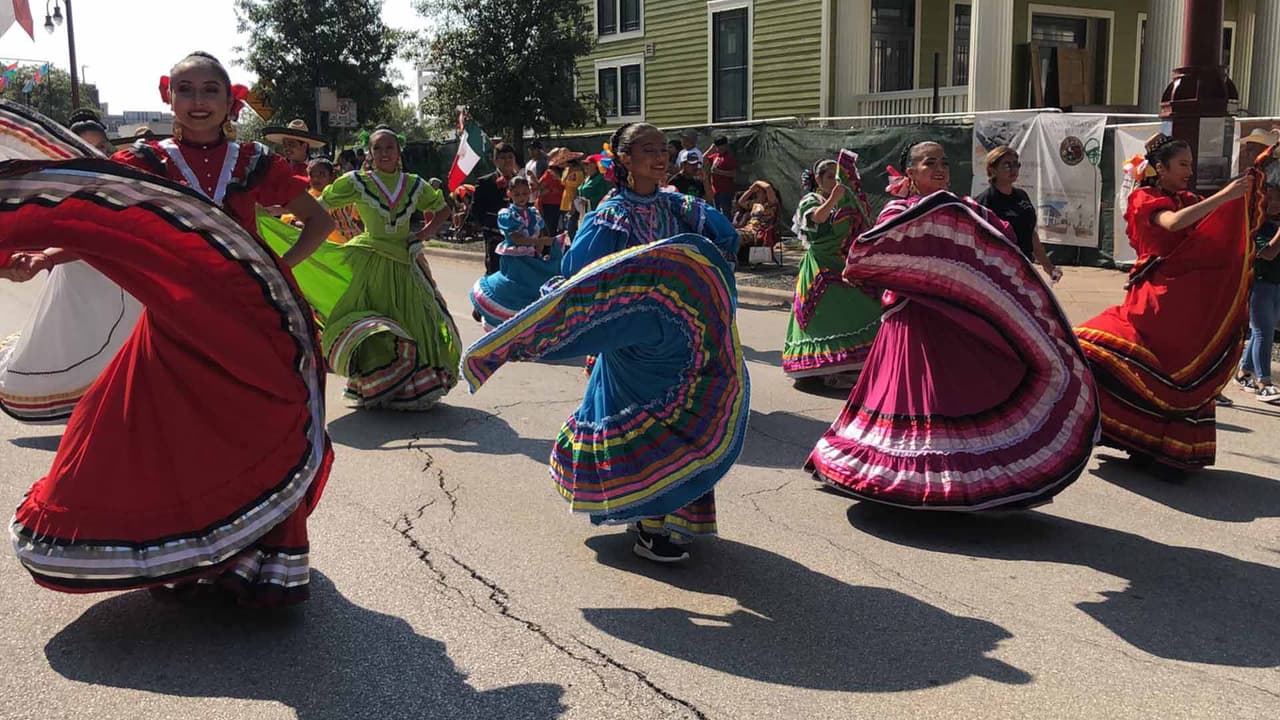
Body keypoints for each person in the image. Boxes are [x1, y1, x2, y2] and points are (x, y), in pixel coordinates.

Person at [1, 54, 334, 606]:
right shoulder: (146, 162)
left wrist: (275, 273)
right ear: (169, 98)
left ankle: (260, 559)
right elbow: (95, 227)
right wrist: (43, 256)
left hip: (257, 325)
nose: (198, 101)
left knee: (273, 424)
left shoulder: (254, 161)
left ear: (230, 102)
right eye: (186, 90)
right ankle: (189, 560)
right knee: (178, 441)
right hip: (180, 330)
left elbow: (319, 222)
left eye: (210, 90)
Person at [461, 122, 747, 565]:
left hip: (679, 339)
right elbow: (582, 276)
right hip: (632, 346)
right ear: (625, 159)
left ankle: (663, 515)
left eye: (663, 149)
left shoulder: (679, 205)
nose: (660, 157)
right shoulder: (611, 215)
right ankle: (651, 525)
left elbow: (725, 239)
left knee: (684, 420)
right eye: (648, 149)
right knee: (651, 423)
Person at [806, 140, 1099, 510]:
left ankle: (963, 480)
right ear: (910, 173)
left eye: (943, 162)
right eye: (929, 163)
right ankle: (908, 478)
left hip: (957, 320)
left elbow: (1002, 236)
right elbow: (876, 250)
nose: (940, 168)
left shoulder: (963, 209)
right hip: (913, 322)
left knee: (959, 396)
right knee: (919, 400)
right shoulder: (899, 210)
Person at [1075, 133, 1261, 470]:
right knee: (1122, 355)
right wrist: (1224, 195)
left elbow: (1216, 223)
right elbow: (1172, 223)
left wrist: (1247, 187)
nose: (1189, 171)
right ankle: (1134, 435)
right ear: (1160, 168)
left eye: (1190, 164)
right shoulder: (1144, 198)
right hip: (1157, 299)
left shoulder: (1186, 198)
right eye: (1183, 165)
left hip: (1186, 299)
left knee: (1182, 371)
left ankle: (1156, 444)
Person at [317, 125, 461, 411]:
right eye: (378, 148)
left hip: (405, 263)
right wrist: (281, 212)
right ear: (369, 153)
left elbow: (443, 208)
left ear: (399, 151)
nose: (384, 153)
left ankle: (411, 386)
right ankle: (377, 382)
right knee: (376, 322)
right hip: (371, 263)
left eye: (389, 147)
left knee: (414, 320)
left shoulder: (413, 184)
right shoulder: (357, 182)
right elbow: (320, 204)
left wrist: (423, 234)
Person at [783, 153, 882, 388]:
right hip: (820, 270)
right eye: (829, 177)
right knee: (824, 317)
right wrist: (834, 199)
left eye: (836, 177)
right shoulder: (811, 199)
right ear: (818, 180)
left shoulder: (847, 201)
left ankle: (852, 364)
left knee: (861, 308)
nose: (834, 181)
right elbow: (816, 219)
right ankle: (819, 368)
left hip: (842, 264)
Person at [469, 176, 563, 330]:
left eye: (525, 193)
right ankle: (493, 312)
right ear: (509, 194)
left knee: (541, 282)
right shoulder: (507, 214)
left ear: (529, 193)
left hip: (532, 257)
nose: (521, 197)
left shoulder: (533, 213)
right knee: (517, 289)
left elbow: (539, 235)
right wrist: (537, 242)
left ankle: (530, 323)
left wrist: (542, 246)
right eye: (517, 194)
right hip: (515, 260)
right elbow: (517, 239)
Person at [974, 146, 1060, 280]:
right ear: (992, 170)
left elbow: (1031, 233)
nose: (1013, 169)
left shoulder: (1022, 196)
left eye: (1016, 164)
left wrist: (1048, 266)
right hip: (998, 272)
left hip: (1024, 268)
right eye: (1007, 165)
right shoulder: (985, 201)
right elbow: (977, 241)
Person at [1236, 193, 1280, 403]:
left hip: (1276, 285)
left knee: (1261, 332)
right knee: (1264, 333)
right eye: (1271, 199)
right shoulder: (1254, 227)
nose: (1275, 203)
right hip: (1259, 284)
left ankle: (1244, 372)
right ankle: (1264, 383)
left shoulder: (1273, 226)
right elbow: (1267, 253)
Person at [470, 141, 522, 273]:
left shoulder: (521, 181)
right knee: (495, 268)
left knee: (516, 270)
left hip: (519, 234)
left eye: (510, 157)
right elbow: (476, 209)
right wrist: (488, 226)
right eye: (503, 158)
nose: (507, 161)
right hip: (495, 234)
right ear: (495, 161)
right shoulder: (485, 182)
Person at [263, 118, 328, 176]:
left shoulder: (318, 168)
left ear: (304, 146)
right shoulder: (279, 168)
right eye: (284, 144)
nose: (287, 148)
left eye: (291, 144)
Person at [733, 179, 781, 257]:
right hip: (748, 229)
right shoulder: (755, 204)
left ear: (765, 193)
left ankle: (732, 258)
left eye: (759, 192)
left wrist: (756, 183)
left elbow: (768, 187)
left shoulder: (771, 204)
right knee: (728, 233)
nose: (757, 194)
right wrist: (751, 190)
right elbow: (741, 202)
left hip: (759, 232)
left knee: (734, 236)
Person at [704, 136, 738, 217]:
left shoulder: (729, 157)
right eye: (718, 145)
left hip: (725, 191)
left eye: (722, 145)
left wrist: (719, 172)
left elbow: (734, 173)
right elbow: (702, 159)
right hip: (715, 190)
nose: (720, 147)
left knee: (725, 213)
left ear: (726, 145)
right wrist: (710, 149)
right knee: (717, 212)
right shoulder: (715, 156)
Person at [536, 147, 567, 232]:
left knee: (561, 229)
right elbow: (539, 187)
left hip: (563, 204)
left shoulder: (567, 170)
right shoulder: (549, 172)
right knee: (551, 229)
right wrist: (549, 191)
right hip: (549, 204)